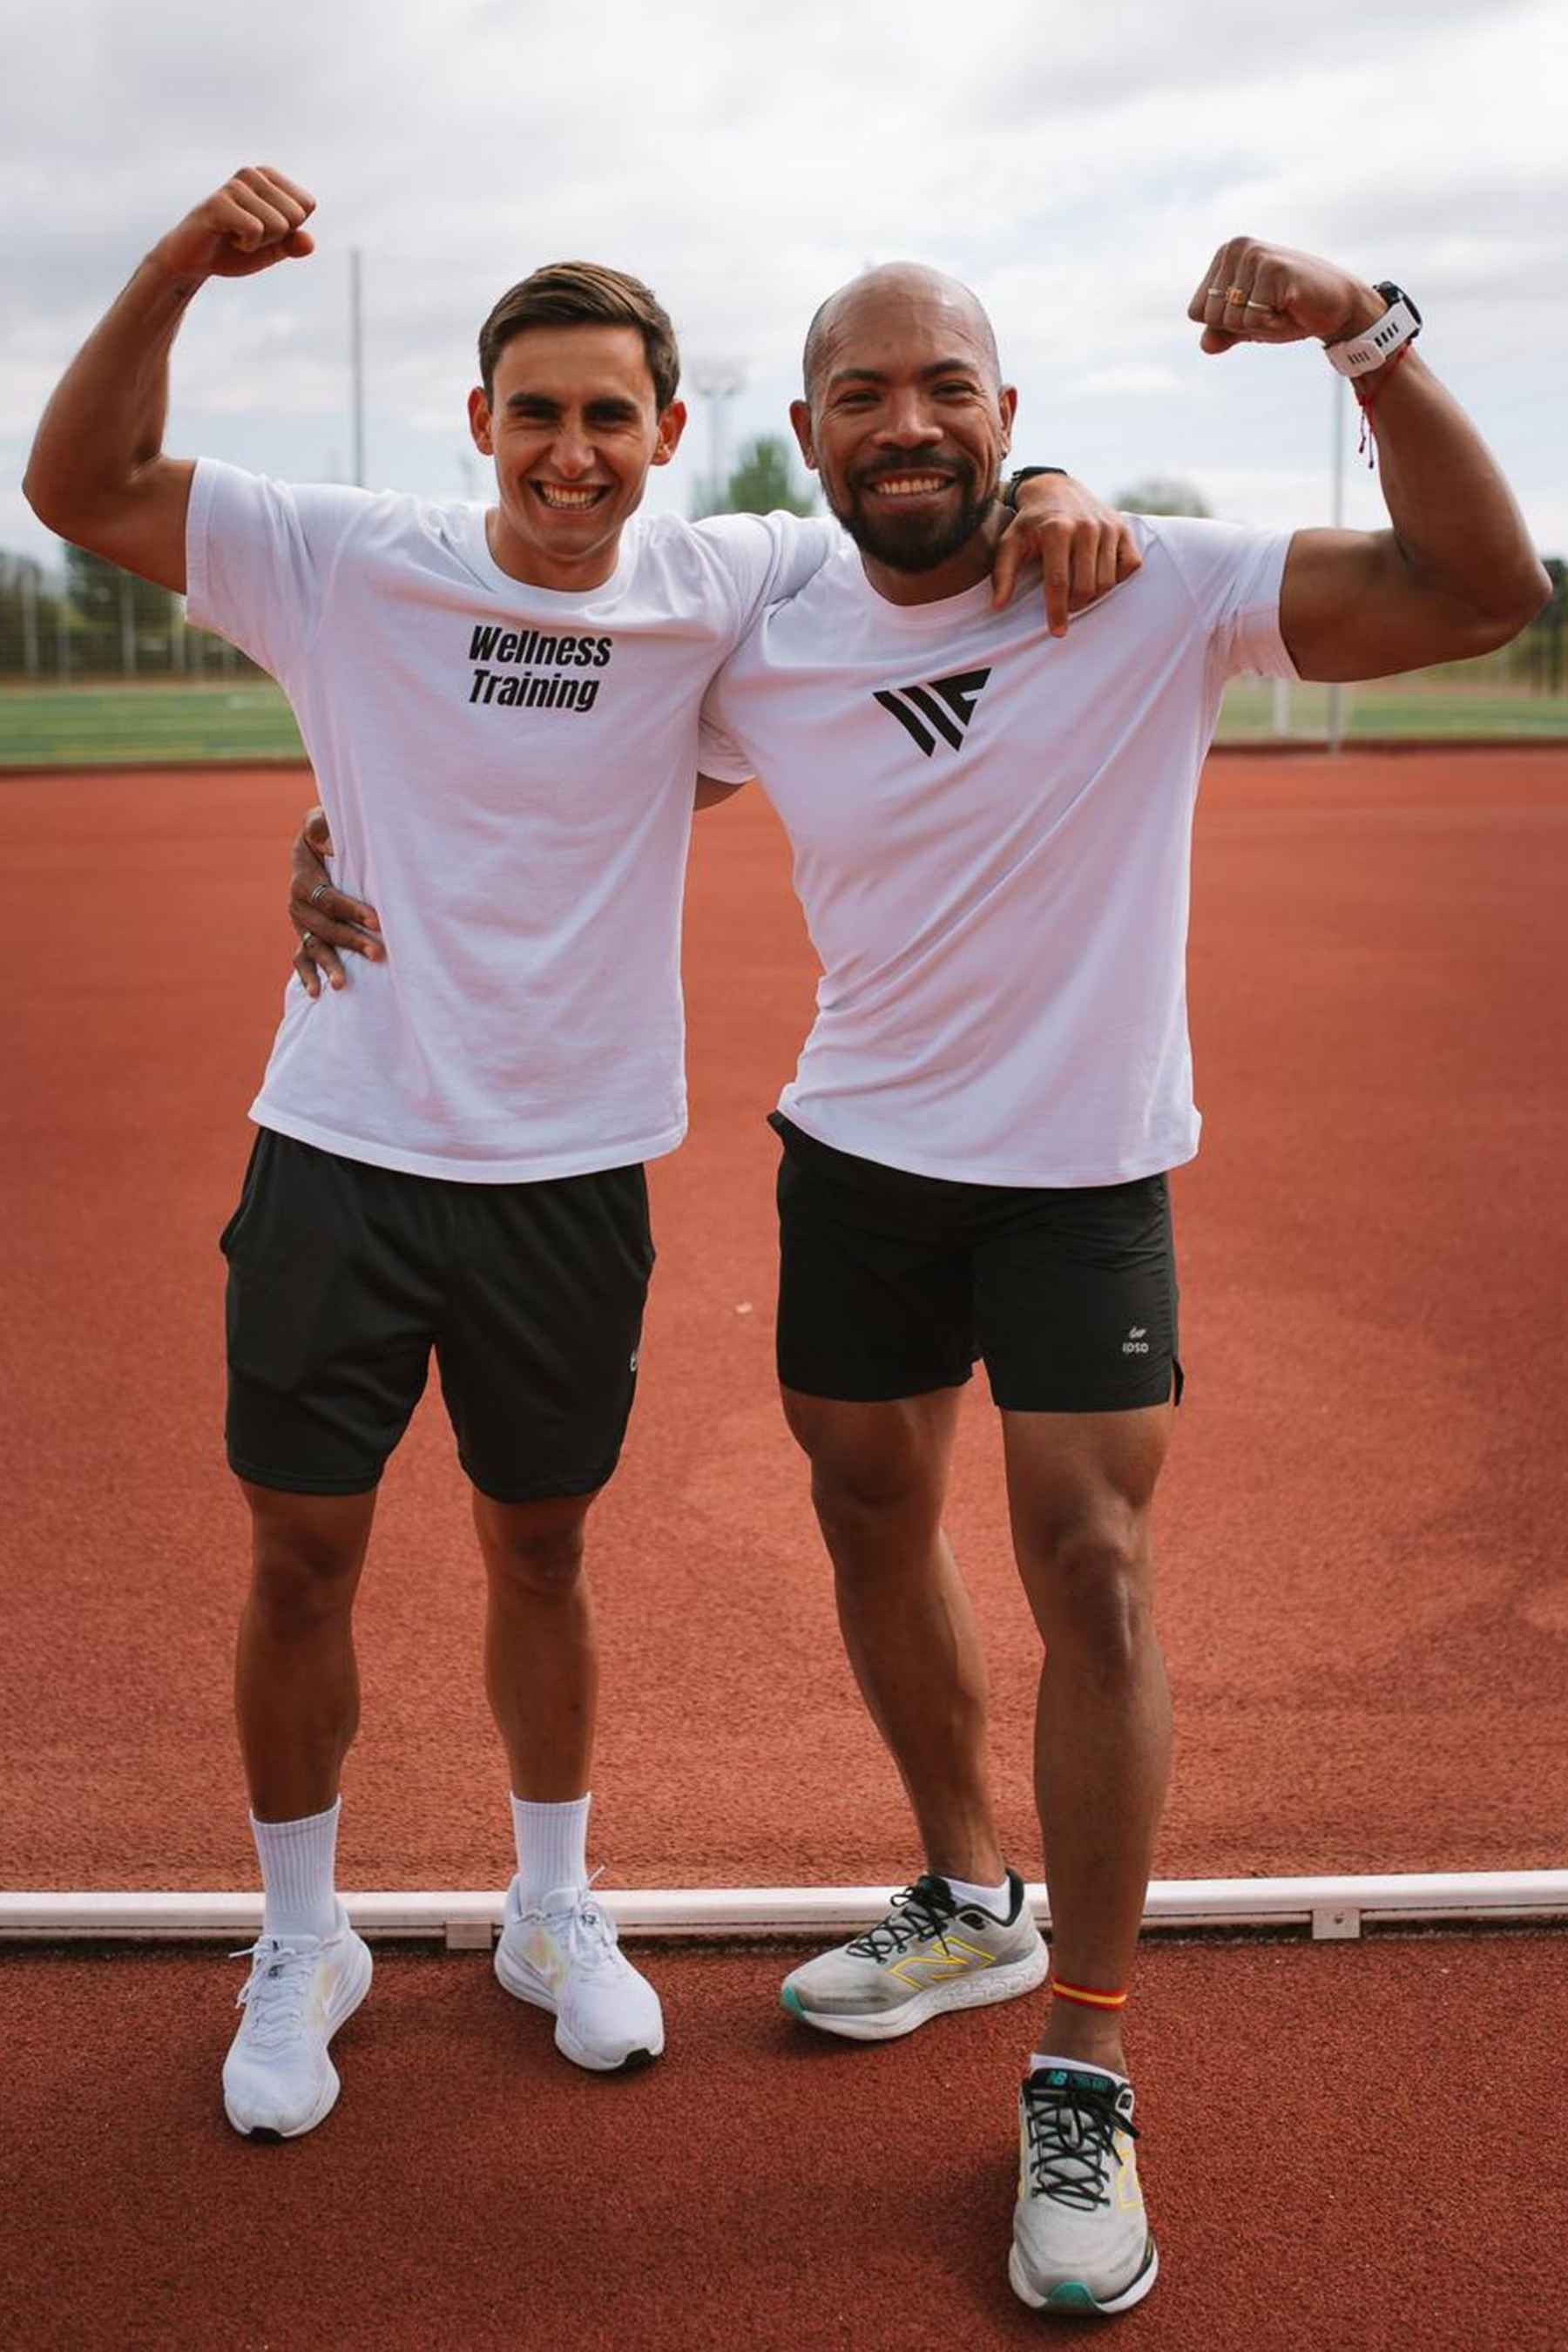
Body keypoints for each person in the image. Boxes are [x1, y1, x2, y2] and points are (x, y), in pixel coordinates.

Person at [299, 242, 1546, 2312]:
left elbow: (1483, 587)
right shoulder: (765, 616)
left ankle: (1086, 2063)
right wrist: (327, 830)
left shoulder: (1155, 584)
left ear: (1005, 409)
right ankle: (974, 1899)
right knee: (870, 1508)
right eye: (864, 393)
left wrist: (1366, 332)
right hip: (860, 1156)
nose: (907, 424)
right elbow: (517, 741)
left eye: (946, 387)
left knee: (1095, 1566)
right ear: (803, 440)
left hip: (1080, 1174)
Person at [23, 166, 1129, 2146]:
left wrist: (1047, 494)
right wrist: (185, 261)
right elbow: (81, 486)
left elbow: (934, 513)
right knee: (301, 1558)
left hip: (569, 1172)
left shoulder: (727, 587)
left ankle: (551, 1909)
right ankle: (304, 1940)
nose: (571, 449)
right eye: (535, 409)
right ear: (480, 425)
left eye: (610, 414)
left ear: (673, 440)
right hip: (342, 1148)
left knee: (543, 1547)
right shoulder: (345, 557)